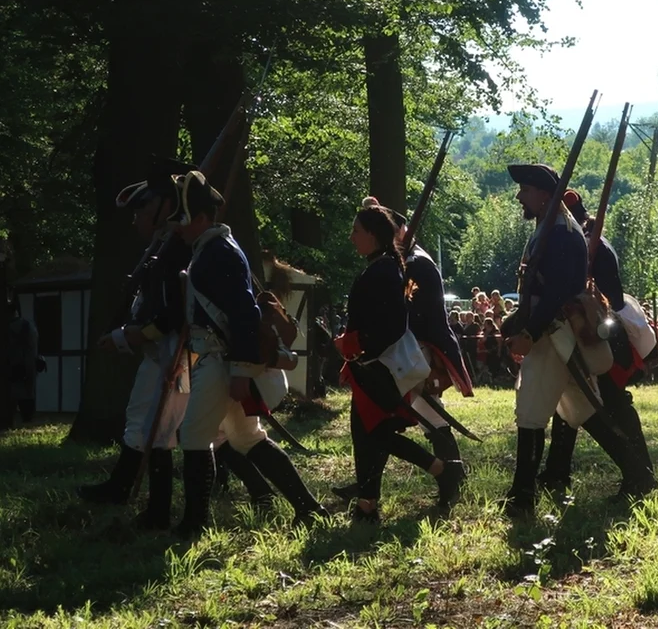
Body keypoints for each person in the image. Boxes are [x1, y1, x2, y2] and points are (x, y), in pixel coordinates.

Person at [171, 170, 327, 536]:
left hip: (220, 360)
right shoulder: (210, 251)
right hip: (216, 358)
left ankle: (193, 524)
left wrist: (241, 371)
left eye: (183, 219)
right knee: (246, 438)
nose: (178, 227)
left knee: (194, 437)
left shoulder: (218, 252)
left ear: (201, 218)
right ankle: (309, 508)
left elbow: (244, 313)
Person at [500, 163, 651, 516]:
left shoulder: (561, 234)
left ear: (542, 194)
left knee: (532, 412)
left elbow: (555, 295)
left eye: (525, 189)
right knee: (584, 410)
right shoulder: (550, 229)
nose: (520, 195)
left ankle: (522, 498)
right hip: (551, 333)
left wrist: (529, 332)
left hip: (556, 334)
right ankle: (637, 474)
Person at [79, 158, 195, 530]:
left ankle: (151, 505)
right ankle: (138, 497)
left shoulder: (178, 248)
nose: (136, 218)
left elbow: (173, 313)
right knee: (148, 426)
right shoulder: (164, 247)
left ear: (163, 208)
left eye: (143, 208)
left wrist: (131, 336)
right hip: (162, 349)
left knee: (157, 428)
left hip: (175, 350)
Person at [335, 201, 465, 522]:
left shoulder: (384, 270)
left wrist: (358, 346)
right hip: (368, 363)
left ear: (373, 235)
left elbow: (391, 325)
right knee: (365, 435)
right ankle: (367, 506)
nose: (351, 237)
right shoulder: (381, 265)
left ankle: (440, 470)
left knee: (375, 434)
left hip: (377, 364)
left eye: (356, 231)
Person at [535, 190, 658, 500]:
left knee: (615, 404)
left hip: (602, 331)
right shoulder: (581, 241)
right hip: (585, 330)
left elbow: (610, 297)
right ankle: (557, 473)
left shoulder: (592, 246)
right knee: (571, 399)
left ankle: (641, 474)